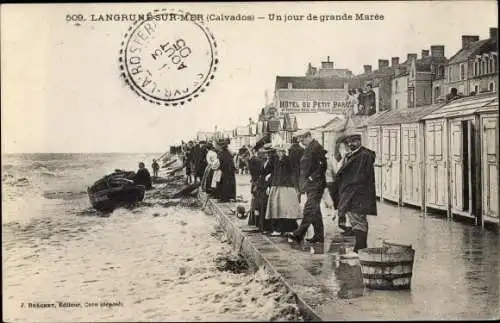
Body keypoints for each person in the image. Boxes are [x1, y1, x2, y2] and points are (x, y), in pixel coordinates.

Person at [334, 133, 377, 253]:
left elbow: (357, 177)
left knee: (358, 220)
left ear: (359, 141)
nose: (351, 144)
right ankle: (360, 247)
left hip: (358, 193)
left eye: (353, 142)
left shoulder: (364, 155)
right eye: (349, 143)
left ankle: (360, 247)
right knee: (355, 220)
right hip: (353, 193)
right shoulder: (354, 155)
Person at [286, 131, 327, 244]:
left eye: (303, 140)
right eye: (300, 141)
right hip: (310, 185)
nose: (302, 143)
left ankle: (298, 234)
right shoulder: (309, 148)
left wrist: (311, 178)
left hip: (316, 184)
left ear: (309, 137)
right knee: (315, 210)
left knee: (309, 209)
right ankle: (319, 236)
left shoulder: (317, 148)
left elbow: (322, 166)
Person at [265, 144, 301, 236]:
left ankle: (289, 228)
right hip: (276, 186)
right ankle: (278, 229)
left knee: (287, 209)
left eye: (281, 151)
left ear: (284, 151)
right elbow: (269, 171)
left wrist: (296, 186)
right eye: (278, 151)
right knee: (277, 208)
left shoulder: (289, 160)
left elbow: (294, 172)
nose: (279, 153)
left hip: (287, 186)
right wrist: (269, 184)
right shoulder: (274, 160)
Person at [247, 146, 265, 226]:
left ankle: (256, 222)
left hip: (259, 183)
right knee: (255, 201)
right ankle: (254, 221)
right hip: (256, 182)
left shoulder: (255, 161)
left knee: (257, 202)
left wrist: (256, 184)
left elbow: (259, 173)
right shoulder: (251, 160)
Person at [215, 138, 237, 203]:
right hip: (227, 170)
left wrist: (218, 167)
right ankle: (228, 197)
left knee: (225, 184)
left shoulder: (222, 153)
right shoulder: (225, 152)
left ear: (220, 146)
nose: (216, 147)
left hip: (227, 170)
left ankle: (224, 198)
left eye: (217, 145)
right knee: (227, 184)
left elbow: (222, 162)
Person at [288, 136, 305, 202]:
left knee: (294, 185)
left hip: (292, 170)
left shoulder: (290, 149)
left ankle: (295, 199)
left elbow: (289, 160)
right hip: (300, 170)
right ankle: (299, 198)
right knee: (299, 184)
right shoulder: (302, 149)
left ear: (292, 141)